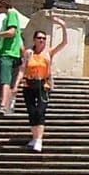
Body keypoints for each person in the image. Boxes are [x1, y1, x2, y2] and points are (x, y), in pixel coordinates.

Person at [19, 19, 67, 153]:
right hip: (29, 84)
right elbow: (22, 69)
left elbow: (64, 43)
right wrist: (16, 84)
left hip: (43, 84)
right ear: (34, 40)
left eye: (44, 38)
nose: (41, 40)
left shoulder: (48, 52)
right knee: (31, 111)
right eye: (39, 38)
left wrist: (63, 26)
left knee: (40, 111)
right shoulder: (29, 53)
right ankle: (34, 137)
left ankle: (39, 139)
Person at [0, 0, 26, 114]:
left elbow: (11, 32)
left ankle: (3, 105)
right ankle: (6, 105)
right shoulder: (6, 18)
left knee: (5, 80)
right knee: (4, 82)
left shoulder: (12, 14)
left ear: (1, 5)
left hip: (8, 54)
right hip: (4, 53)